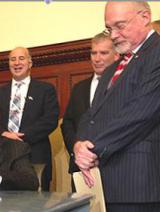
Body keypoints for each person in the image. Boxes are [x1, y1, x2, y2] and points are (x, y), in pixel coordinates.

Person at [74, 2, 160, 211]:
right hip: (103, 181)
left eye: (120, 26)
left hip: (136, 183)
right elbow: (92, 114)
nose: (113, 35)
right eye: (109, 28)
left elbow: (140, 113)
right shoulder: (114, 67)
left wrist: (92, 150)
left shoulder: (156, 53)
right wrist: (79, 145)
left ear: (145, 17)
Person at [0, 47, 59, 191]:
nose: (16, 63)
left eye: (21, 58)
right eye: (12, 59)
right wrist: (4, 133)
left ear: (30, 63)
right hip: (4, 155)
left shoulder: (46, 90)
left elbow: (50, 120)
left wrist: (21, 136)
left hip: (36, 154)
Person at [61, 33, 119, 180]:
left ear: (116, 55)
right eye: (94, 53)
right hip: (80, 168)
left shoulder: (123, 86)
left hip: (114, 167)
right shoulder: (79, 88)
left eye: (104, 53)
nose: (97, 58)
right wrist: (76, 147)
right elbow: (67, 123)